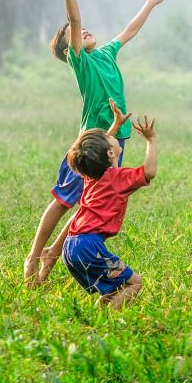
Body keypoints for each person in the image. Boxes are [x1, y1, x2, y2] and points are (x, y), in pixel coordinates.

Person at [24, 0, 167, 286]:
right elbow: (74, 18)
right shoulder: (81, 62)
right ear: (68, 47)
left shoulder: (105, 53)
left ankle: (50, 262)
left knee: (90, 205)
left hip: (115, 140)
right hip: (91, 142)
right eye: (74, 33)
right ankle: (34, 258)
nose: (83, 30)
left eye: (84, 29)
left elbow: (129, 30)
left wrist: (150, 2)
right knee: (63, 201)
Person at [62, 112, 157, 309]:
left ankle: (98, 317)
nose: (112, 135)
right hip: (88, 247)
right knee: (135, 283)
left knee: (113, 288)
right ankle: (110, 321)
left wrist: (115, 125)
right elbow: (149, 171)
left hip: (70, 246)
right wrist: (151, 140)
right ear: (110, 153)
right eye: (110, 137)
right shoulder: (118, 178)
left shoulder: (91, 175)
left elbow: (95, 151)